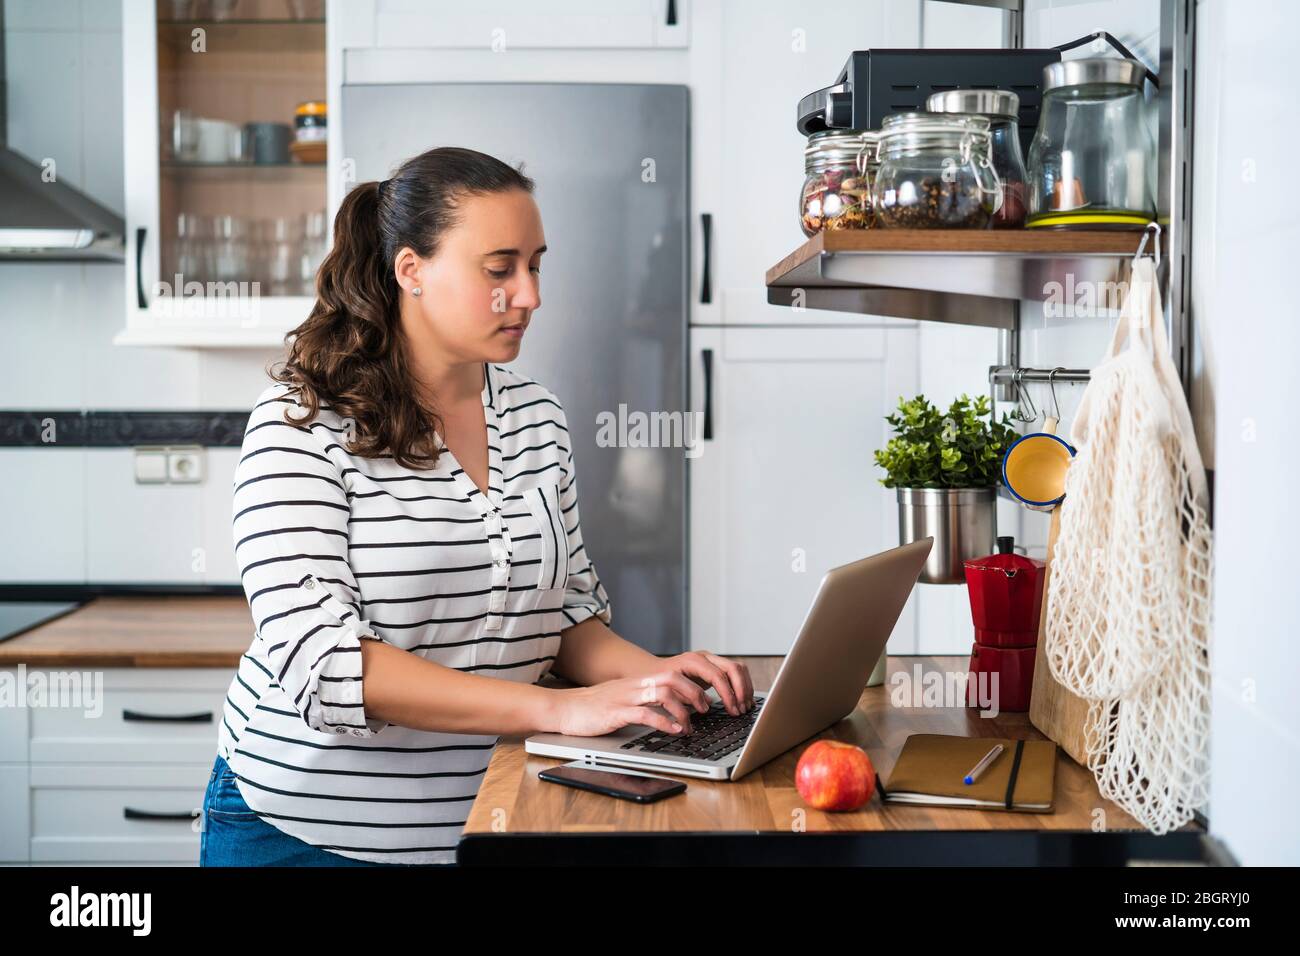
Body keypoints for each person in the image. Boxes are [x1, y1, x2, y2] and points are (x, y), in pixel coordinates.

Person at [199, 146, 753, 867]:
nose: (529, 294)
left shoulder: (537, 417)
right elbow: (328, 669)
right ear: (411, 271)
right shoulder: (301, 423)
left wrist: (655, 682)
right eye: (499, 270)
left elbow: (567, 614)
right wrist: (558, 710)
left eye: (536, 265)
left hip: (483, 820)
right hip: (305, 833)